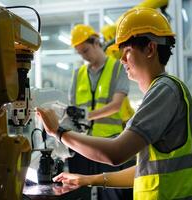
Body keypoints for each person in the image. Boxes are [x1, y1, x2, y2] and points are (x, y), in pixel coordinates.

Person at [39, 7, 192, 200]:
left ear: (150, 49)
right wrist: (88, 179)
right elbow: (144, 172)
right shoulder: (163, 91)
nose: (122, 59)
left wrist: (58, 132)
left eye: (127, 51)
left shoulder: (165, 90)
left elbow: (116, 153)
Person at [67, 24, 134, 200]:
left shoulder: (118, 67)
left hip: (110, 144)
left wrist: (86, 116)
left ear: (96, 42)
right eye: (80, 53)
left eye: (86, 50)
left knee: (112, 193)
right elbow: (73, 107)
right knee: (79, 192)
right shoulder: (78, 73)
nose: (84, 56)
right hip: (84, 145)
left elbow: (116, 105)